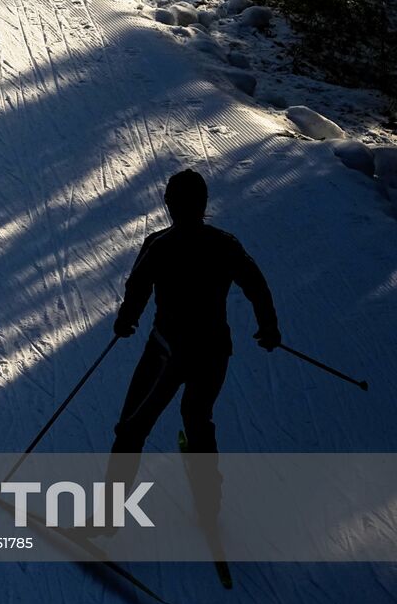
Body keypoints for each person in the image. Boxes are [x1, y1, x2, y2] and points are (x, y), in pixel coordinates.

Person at [104, 168, 280, 526]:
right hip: (214, 352)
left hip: (166, 351)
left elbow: (137, 287)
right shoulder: (226, 244)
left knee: (132, 428)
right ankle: (208, 509)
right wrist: (268, 328)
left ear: (169, 204)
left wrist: (127, 320)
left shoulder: (159, 243)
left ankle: (107, 518)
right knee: (198, 419)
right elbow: (256, 285)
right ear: (203, 204)